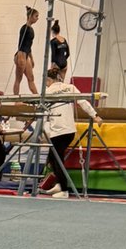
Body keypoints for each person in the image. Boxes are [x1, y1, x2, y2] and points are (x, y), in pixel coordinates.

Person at [41, 65, 102, 197]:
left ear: (48, 80)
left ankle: (64, 190)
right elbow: (83, 101)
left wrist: (44, 132)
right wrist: (94, 115)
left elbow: (45, 113)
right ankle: (59, 184)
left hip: (58, 131)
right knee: (53, 158)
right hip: (69, 130)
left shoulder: (48, 92)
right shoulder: (70, 87)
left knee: (56, 159)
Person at [13, 6, 40, 95]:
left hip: (27, 55)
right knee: (18, 78)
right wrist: (21, 59)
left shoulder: (31, 29)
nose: (37, 18)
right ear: (30, 16)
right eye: (36, 16)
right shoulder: (24, 29)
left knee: (31, 78)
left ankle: (38, 99)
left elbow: (29, 46)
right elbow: (21, 45)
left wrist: (31, 58)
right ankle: (16, 100)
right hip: (21, 55)